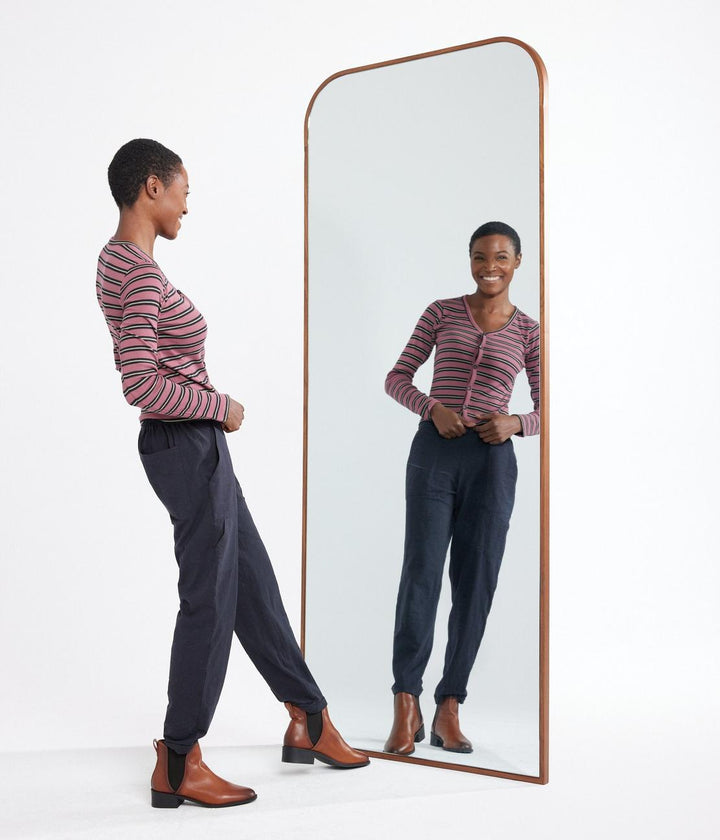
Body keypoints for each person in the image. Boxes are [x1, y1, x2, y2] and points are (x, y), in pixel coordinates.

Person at [96, 138, 369, 810]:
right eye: (183, 189)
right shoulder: (136, 271)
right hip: (187, 444)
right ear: (153, 186)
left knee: (251, 582)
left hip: (190, 445)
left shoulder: (124, 262)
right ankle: (178, 759)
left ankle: (309, 718)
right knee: (211, 598)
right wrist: (220, 407)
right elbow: (140, 385)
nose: (188, 204)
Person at [382, 221, 540, 756]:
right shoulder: (441, 312)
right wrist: (433, 409)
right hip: (434, 453)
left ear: (517, 262)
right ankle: (406, 702)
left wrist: (516, 422)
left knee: (476, 582)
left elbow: (550, 406)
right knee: (421, 574)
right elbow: (396, 377)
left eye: (500, 257)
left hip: (492, 463)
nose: (488, 267)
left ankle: (449, 706)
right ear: (469, 261)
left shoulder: (530, 331)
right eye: (479, 257)